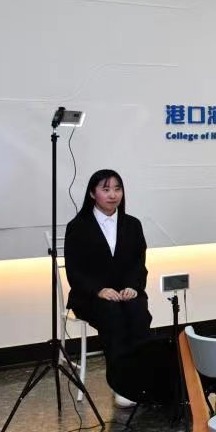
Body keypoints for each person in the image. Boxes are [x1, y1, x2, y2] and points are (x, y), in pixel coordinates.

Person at [63, 169, 151, 409]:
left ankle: (144, 378)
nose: (113, 195)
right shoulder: (77, 226)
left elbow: (138, 263)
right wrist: (98, 290)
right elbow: (74, 271)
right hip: (90, 296)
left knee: (138, 312)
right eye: (106, 189)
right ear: (93, 194)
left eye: (117, 189)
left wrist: (133, 287)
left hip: (126, 292)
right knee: (113, 315)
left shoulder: (132, 224)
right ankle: (121, 383)